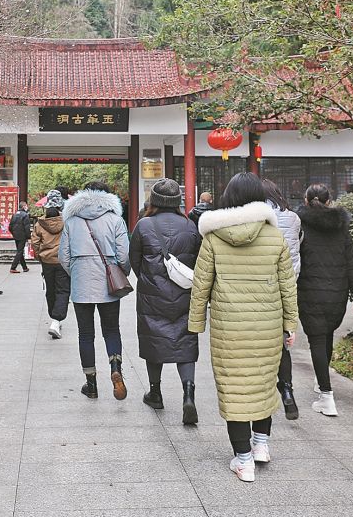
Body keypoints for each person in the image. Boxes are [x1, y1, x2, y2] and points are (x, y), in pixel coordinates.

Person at [189, 172, 298, 483]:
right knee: (263, 384)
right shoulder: (274, 236)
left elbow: (201, 285)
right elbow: (287, 285)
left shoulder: (213, 237)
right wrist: (290, 322)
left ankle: (243, 460)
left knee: (235, 390)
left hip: (229, 329)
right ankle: (261, 444)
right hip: (267, 327)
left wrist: (196, 323)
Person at [129, 178, 202, 423]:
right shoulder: (190, 225)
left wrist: (149, 279)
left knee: (154, 340)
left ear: (154, 201)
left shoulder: (143, 225)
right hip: (184, 293)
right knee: (186, 342)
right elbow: (198, 260)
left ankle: (156, 392)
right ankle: (188, 394)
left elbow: (134, 261)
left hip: (152, 294)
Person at [296, 183, 353, 418]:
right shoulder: (340, 227)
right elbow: (351, 261)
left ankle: (326, 397)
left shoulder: (300, 225)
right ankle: (320, 378)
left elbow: (295, 258)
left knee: (316, 339)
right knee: (326, 337)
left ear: (306, 200)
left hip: (309, 290)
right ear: (329, 201)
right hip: (337, 291)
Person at [60, 181, 131, 401]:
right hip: (108, 282)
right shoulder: (115, 220)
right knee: (111, 330)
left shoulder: (71, 221)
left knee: (85, 334)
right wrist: (122, 273)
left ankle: (91, 385)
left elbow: (63, 256)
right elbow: (124, 255)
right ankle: (115, 367)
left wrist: (77, 272)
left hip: (81, 281)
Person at [263, 179, 303, 421]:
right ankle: (286, 389)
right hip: (288, 283)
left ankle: (263, 389)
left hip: (264, 285)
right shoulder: (294, 217)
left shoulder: (261, 218)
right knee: (281, 342)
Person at [30, 189, 69, 339]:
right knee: (63, 290)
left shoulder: (40, 223)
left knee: (51, 290)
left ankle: (54, 318)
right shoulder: (66, 222)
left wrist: (41, 255)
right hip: (62, 261)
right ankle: (56, 320)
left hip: (47, 262)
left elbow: (35, 243)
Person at [8, 202, 32, 274]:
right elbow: (27, 227)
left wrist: (13, 233)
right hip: (22, 235)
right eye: (26, 206)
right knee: (19, 251)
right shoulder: (25, 215)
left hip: (16, 235)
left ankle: (24, 267)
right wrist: (29, 237)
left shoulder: (14, 214)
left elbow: (10, 226)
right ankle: (13, 267)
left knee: (19, 251)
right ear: (24, 206)